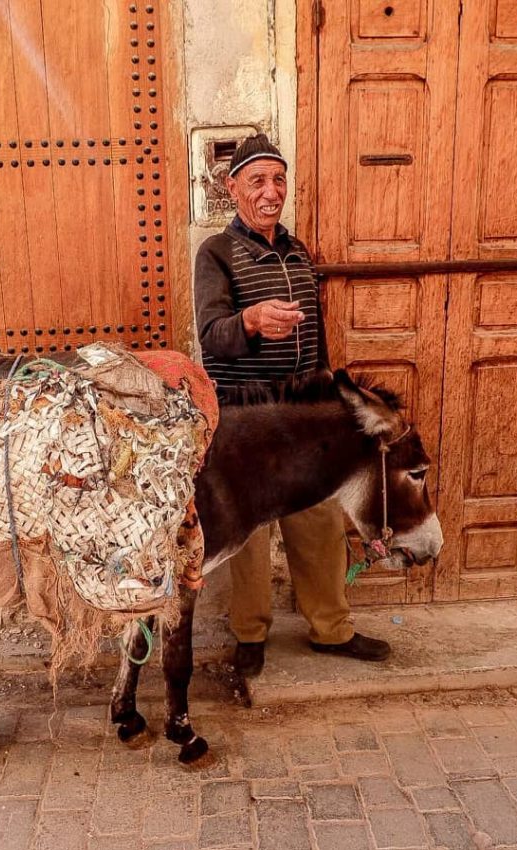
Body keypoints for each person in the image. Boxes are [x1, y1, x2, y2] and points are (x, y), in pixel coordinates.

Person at [194, 133, 391, 677]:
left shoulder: (298, 251)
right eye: (257, 180)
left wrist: (330, 399)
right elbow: (211, 336)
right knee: (250, 539)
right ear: (232, 188)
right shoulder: (216, 253)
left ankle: (332, 629)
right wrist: (253, 321)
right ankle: (250, 635)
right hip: (245, 425)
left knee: (320, 525)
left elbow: (319, 339)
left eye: (278, 179)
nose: (270, 191)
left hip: (301, 425)